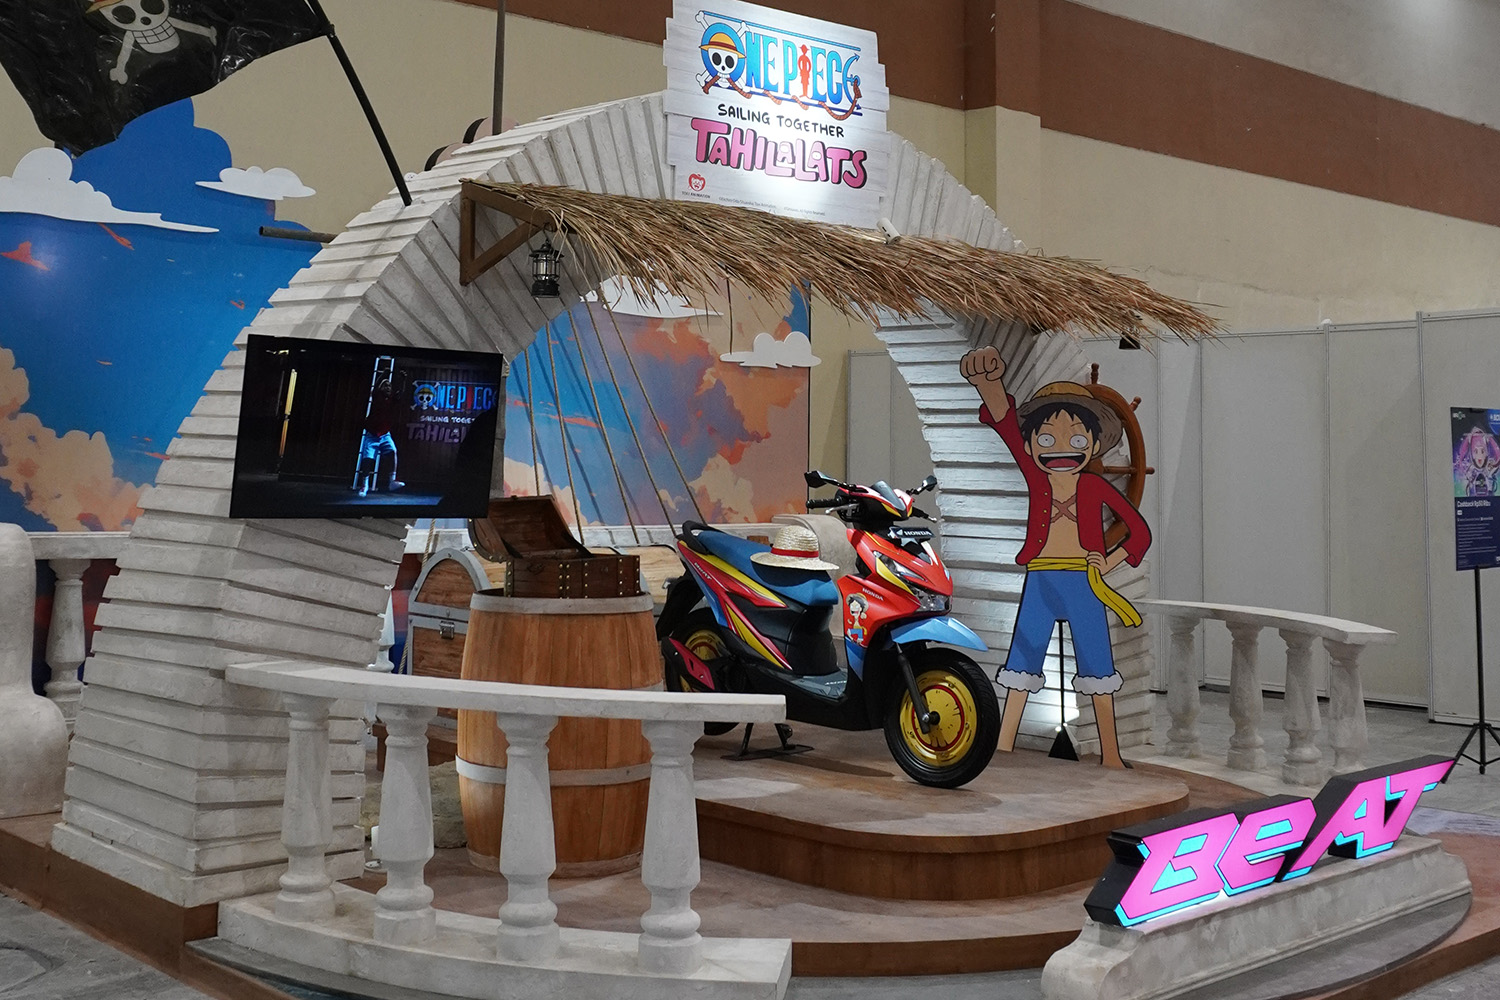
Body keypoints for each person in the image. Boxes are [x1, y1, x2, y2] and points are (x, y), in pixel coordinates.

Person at [960, 346, 1151, 769]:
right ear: (1032, 445)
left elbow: (1139, 532)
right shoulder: (1036, 476)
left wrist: (1109, 561)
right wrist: (989, 383)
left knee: (1098, 666)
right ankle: (1004, 747)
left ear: (1093, 444)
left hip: (1084, 582)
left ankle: (1111, 755)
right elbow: (1007, 425)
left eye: (1076, 439)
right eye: (1046, 439)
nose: (1060, 449)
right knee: (1022, 661)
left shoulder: (1094, 487)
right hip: (1041, 579)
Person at [355, 379, 405, 498]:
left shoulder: (392, 400)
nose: (388, 387)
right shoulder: (377, 397)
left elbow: (401, 392)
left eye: (389, 386)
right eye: (385, 385)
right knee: (367, 460)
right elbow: (376, 387)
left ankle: (392, 481)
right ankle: (364, 485)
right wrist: (383, 375)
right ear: (381, 388)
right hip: (372, 435)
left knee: (393, 452)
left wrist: (403, 379)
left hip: (385, 434)